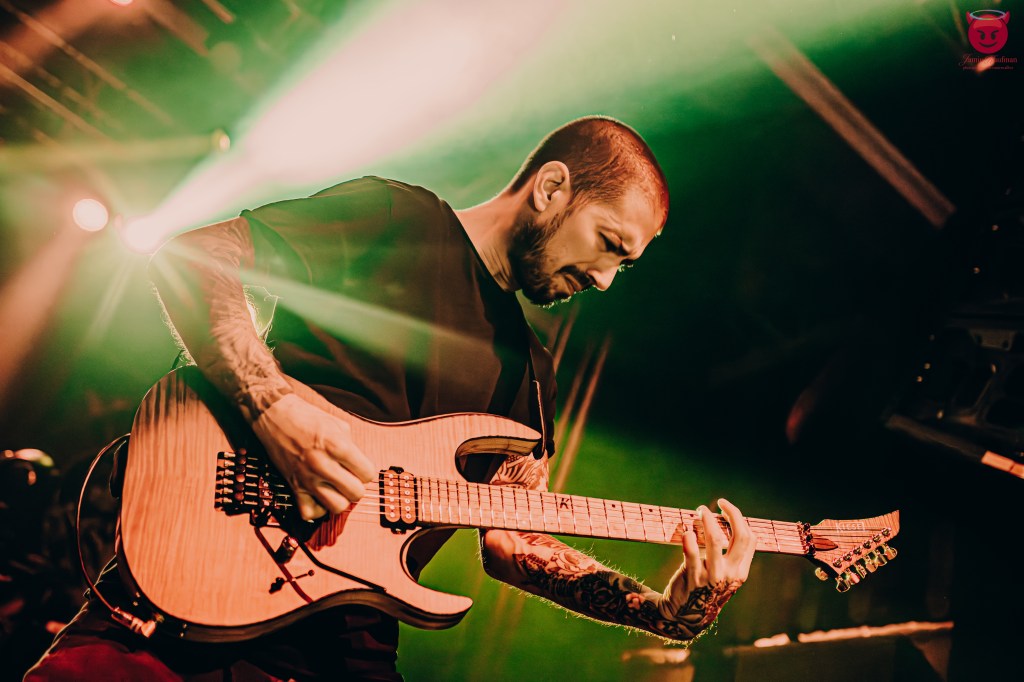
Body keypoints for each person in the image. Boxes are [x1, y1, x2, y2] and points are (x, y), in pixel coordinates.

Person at [25, 116, 756, 680]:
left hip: (340, 656)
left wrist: (667, 612)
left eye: (625, 264)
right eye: (609, 243)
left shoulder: (531, 376)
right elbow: (194, 257)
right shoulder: (398, 220)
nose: (603, 279)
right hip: (180, 609)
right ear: (551, 188)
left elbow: (516, 541)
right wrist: (272, 408)